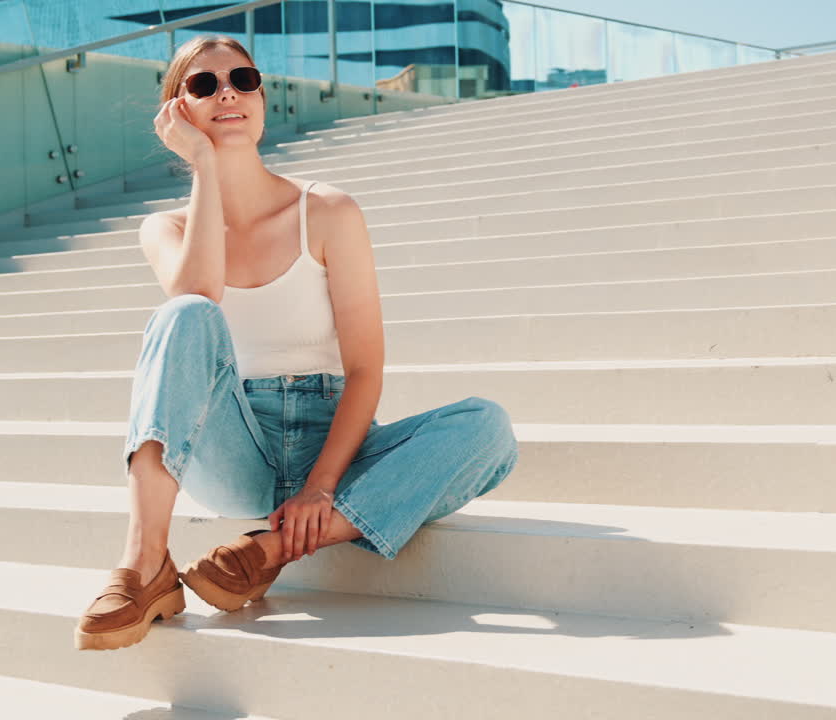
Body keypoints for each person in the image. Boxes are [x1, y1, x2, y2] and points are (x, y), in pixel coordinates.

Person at [75, 34, 519, 651]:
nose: (227, 91)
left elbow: (365, 369)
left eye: (243, 79)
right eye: (204, 85)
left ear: (261, 96)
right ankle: (145, 563)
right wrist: (205, 165)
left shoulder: (329, 211)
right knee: (183, 316)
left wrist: (320, 487)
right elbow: (198, 295)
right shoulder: (165, 228)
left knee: (487, 428)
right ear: (177, 110)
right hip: (234, 449)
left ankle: (269, 551)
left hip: (330, 440)